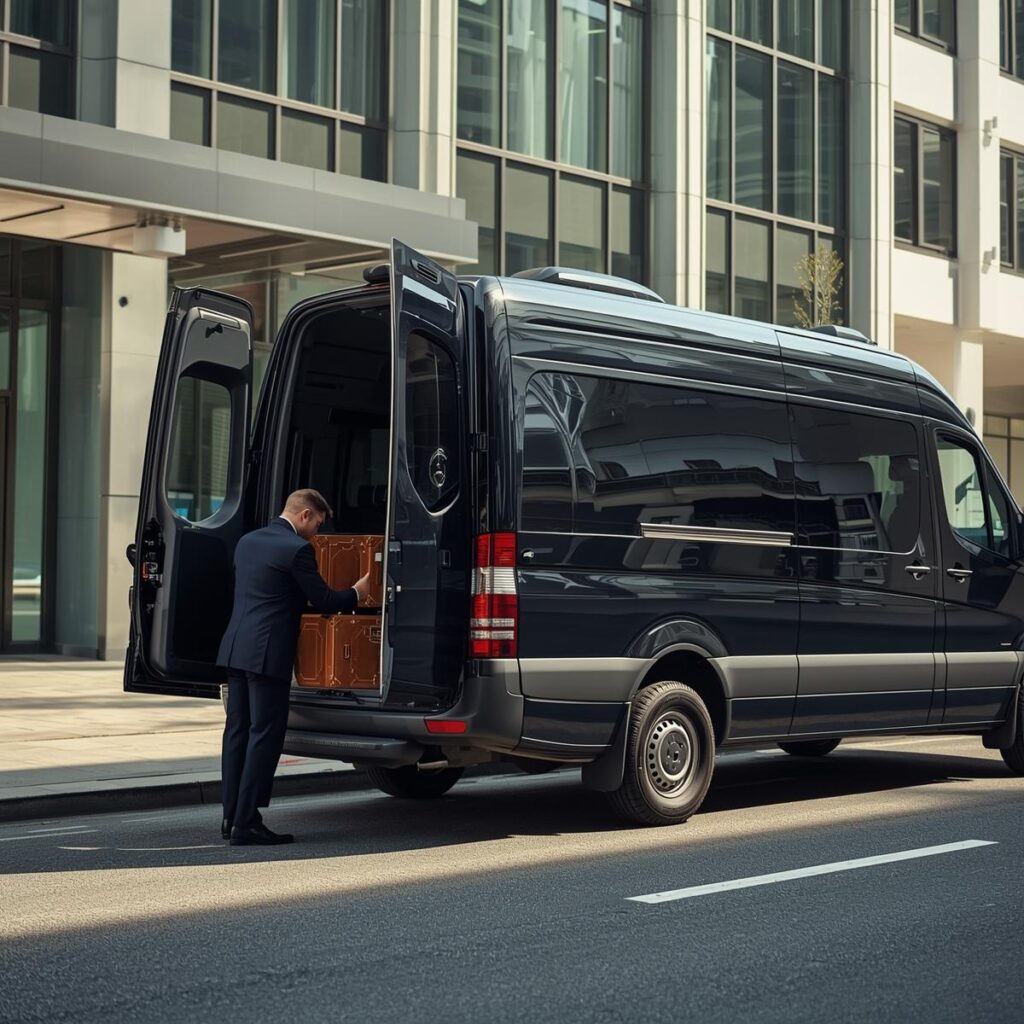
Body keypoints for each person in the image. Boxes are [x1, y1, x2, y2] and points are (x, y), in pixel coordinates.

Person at [217, 488, 370, 846]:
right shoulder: (298, 550)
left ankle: (230, 815)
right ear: (304, 516)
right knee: (265, 735)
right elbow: (325, 599)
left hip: (236, 648)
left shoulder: (248, 542)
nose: (317, 532)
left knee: (237, 732)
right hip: (268, 653)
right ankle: (248, 822)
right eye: (317, 523)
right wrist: (358, 592)